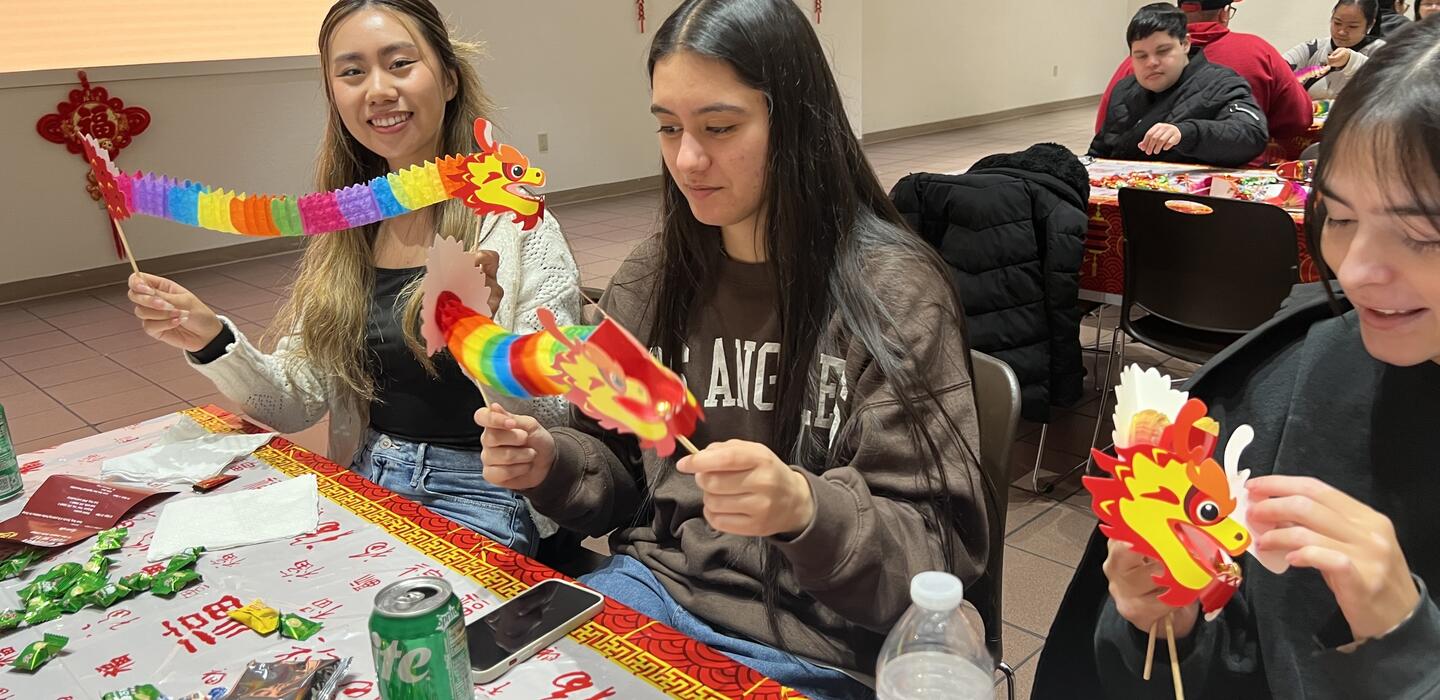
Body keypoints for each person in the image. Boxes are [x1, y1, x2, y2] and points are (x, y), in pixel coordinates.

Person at [475, 0, 993, 697]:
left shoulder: (893, 293)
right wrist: (552, 464)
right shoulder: (654, 276)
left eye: (719, 127)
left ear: (798, 123)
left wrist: (805, 509)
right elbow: (623, 486)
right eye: (668, 128)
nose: (688, 159)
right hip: (653, 591)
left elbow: (938, 553)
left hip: (818, 642)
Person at [1034, 18, 1440, 699]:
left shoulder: (1227, 84)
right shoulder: (1288, 385)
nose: (1360, 271)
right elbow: (1239, 660)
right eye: (1338, 218)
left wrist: (1405, 644)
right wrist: (1164, 627)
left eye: (1420, 233)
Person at [125, 0, 582, 557]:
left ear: (450, 78)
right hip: (366, 477)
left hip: (487, 493)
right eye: (351, 72)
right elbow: (295, 404)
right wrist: (210, 340)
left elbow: (558, 419)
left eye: (400, 63)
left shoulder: (513, 226)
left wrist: (480, 339)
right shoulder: (346, 230)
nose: (378, 90)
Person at [1094, 0, 1313, 142]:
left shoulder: (1132, 66)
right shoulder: (1258, 52)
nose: (1152, 62)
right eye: (1141, 55)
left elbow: (1104, 131)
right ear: (1224, 12)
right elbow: (1298, 119)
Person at [1090, 3, 1269, 167]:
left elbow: (1251, 134)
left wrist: (1186, 133)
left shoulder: (1222, 83)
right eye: (1141, 55)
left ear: (1185, 44)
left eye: (1163, 51)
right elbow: (1098, 153)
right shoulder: (1124, 89)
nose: (1151, 62)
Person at [1284, 0, 1386, 99]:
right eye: (1337, 23)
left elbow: (1388, 81)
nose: (1342, 32)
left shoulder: (1383, 50)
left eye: (1352, 26)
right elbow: (1278, 68)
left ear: (1370, 25)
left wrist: (1350, 60)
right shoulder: (1313, 48)